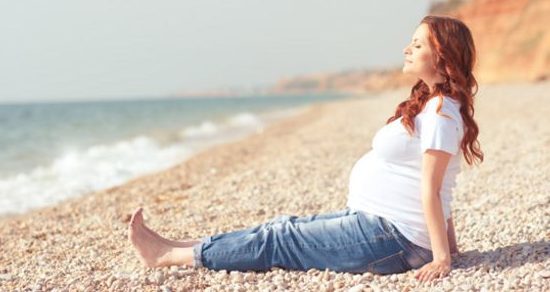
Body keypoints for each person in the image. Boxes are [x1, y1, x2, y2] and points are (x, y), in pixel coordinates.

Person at [127, 15, 484, 282]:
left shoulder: (440, 114)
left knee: (279, 240)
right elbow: (445, 187)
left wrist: (441, 258)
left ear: (441, 57)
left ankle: (168, 256)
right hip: (379, 228)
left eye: (418, 44)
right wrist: (449, 247)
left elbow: (433, 189)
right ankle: (183, 246)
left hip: (392, 241)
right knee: (281, 226)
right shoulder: (433, 105)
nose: (407, 49)